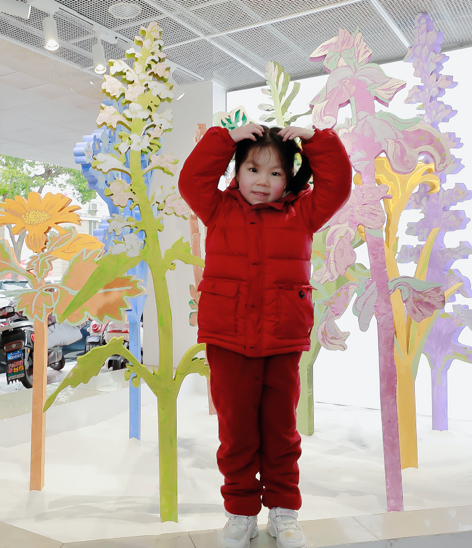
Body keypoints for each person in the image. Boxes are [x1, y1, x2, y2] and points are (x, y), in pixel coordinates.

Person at [178, 123, 352, 548]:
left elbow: (338, 185)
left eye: (276, 173)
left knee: (281, 433)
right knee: (237, 434)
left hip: (281, 339)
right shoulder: (217, 208)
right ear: (236, 172)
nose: (262, 181)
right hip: (228, 340)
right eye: (253, 169)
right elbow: (191, 180)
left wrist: (316, 139)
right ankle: (240, 514)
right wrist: (224, 138)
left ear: (289, 178)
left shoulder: (303, 212)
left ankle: (283, 512)